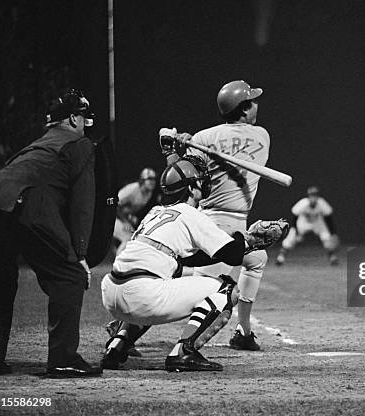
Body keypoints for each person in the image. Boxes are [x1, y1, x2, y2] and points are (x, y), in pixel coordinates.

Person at [100, 158, 268, 371]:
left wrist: (244, 242)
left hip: (112, 291)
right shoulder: (190, 213)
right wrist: (251, 240)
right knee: (227, 289)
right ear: (190, 187)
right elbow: (232, 254)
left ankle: (117, 345)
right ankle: (184, 351)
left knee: (163, 279)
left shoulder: (155, 212)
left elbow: (191, 258)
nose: (204, 183)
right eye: (199, 180)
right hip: (142, 295)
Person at [0, 89, 102, 377]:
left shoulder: (37, 145)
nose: (85, 123)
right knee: (70, 276)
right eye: (84, 117)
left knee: (1, 282)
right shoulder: (79, 143)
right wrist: (81, 253)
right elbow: (82, 205)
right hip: (27, 205)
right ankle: (63, 359)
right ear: (74, 118)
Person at [159, 79, 270, 351]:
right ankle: (166, 341)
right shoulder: (262, 136)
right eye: (252, 101)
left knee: (256, 258)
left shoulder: (203, 138)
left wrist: (177, 150)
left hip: (209, 218)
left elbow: (182, 178)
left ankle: (244, 332)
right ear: (243, 110)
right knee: (209, 290)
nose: (257, 105)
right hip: (219, 223)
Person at [276, 186, 340, 266]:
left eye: (315, 195)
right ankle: (281, 257)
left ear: (317, 196)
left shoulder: (321, 203)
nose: (313, 197)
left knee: (326, 237)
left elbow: (328, 218)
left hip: (317, 223)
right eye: (312, 195)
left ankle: (332, 257)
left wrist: (333, 233)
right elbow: (294, 217)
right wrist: (296, 231)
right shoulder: (303, 203)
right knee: (291, 238)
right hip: (303, 223)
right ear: (309, 196)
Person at [112, 167, 160, 256]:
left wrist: (130, 217)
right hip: (112, 217)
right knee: (128, 238)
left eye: (154, 179)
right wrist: (125, 221)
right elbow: (114, 205)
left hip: (122, 217)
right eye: (150, 179)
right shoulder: (132, 189)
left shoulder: (149, 193)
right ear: (142, 180)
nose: (153, 181)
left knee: (133, 239)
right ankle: (118, 263)